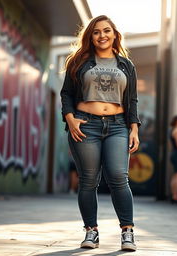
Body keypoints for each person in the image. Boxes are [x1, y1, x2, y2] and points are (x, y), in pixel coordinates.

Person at [60, 15, 140, 251]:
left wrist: (134, 128)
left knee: (118, 176)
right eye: (96, 32)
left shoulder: (126, 65)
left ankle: (127, 232)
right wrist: (70, 119)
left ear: (114, 34)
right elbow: (66, 94)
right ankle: (91, 232)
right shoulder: (79, 62)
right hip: (86, 126)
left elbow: (132, 100)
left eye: (106, 31)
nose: (102, 35)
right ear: (90, 37)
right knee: (88, 180)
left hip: (118, 126)